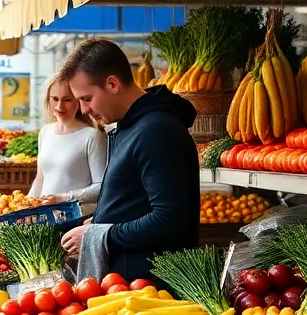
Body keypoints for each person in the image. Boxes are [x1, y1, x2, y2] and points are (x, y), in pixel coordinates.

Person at [58, 39, 199, 282]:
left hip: (151, 289)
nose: (83, 109)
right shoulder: (130, 126)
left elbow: (169, 219)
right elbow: (137, 200)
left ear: (112, 83)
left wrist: (99, 234)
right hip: (127, 285)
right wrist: (102, 217)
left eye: (87, 98)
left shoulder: (156, 130)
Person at [28, 73, 108, 213]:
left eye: (67, 100)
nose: (59, 106)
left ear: (78, 101)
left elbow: (102, 186)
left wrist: (63, 198)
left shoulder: (92, 136)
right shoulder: (45, 132)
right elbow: (40, 179)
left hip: (76, 219)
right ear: (48, 100)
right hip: (44, 218)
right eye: (55, 99)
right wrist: (25, 204)